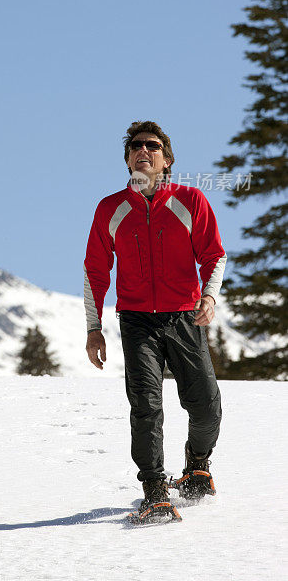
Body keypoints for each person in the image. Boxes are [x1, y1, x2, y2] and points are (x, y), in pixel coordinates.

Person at [84, 121, 226, 522]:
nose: (142, 150)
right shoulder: (110, 208)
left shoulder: (190, 199)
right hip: (136, 321)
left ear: (167, 161)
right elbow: (96, 269)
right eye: (134, 146)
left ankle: (197, 462)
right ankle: (154, 489)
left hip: (184, 316)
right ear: (128, 159)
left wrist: (209, 296)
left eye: (152, 146)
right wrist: (93, 328)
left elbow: (214, 255)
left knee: (206, 406)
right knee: (146, 405)